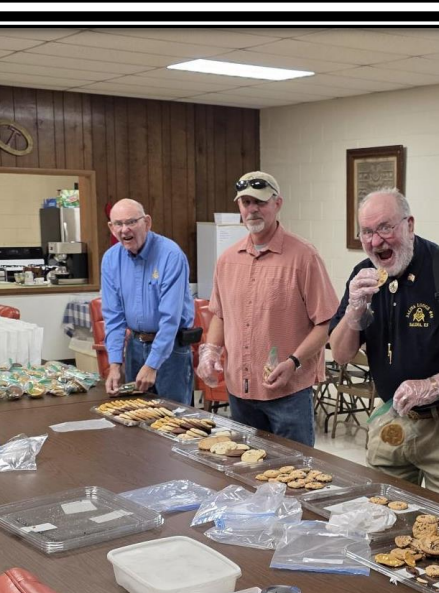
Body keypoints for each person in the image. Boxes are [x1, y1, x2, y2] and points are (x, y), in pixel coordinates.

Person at [328, 189, 439, 501]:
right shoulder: (363, 276)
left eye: (385, 228)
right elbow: (340, 353)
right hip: (390, 419)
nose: (376, 241)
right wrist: (354, 310)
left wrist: (437, 383)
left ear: (409, 225)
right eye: (367, 231)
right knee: (383, 513)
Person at [196, 172, 340, 446]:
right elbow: (220, 314)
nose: (252, 210)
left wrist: (293, 362)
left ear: (278, 204)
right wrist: (210, 352)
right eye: (245, 202)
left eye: (260, 202)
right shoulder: (227, 260)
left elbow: (326, 323)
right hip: (240, 392)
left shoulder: (304, 257)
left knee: (293, 475)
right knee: (247, 471)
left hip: (288, 393)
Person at [100, 197, 197, 404]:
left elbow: (170, 318)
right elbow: (113, 317)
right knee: (136, 417)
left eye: (131, 222)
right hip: (135, 347)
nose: (125, 230)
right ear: (111, 227)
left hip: (172, 349)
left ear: (147, 222)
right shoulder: (110, 259)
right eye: (118, 224)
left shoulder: (171, 255)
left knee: (175, 420)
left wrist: (152, 364)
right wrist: (115, 364)